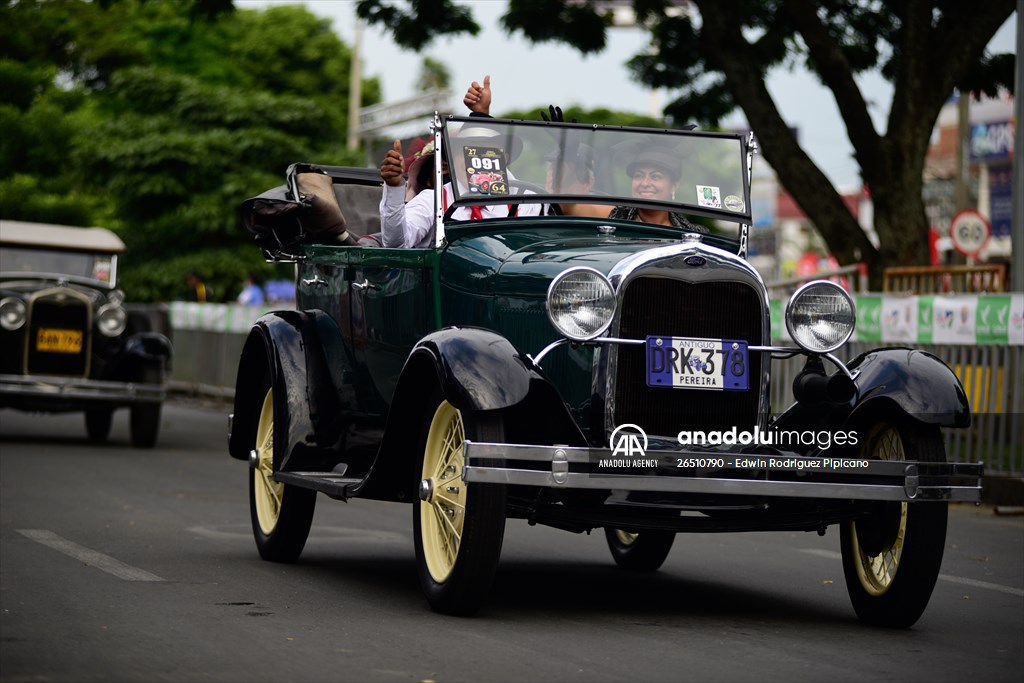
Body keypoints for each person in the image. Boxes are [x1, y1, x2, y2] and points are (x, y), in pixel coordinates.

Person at [377, 75, 541, 248]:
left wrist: (481, 116)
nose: (477, 157)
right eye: (468, 150)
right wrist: (394, 187)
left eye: (488, 150)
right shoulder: (434, 200)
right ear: (451, 162)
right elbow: (397, 244)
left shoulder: (525, 202)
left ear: (504, 158)